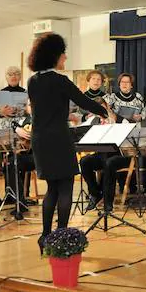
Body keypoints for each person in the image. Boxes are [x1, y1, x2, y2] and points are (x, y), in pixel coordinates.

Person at [27, 33, 108, 254]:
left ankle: (45, 236)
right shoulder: (60, 80)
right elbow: (83, 100)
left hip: (40, 139)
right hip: (59, 138)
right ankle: (61, 235)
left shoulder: (32, 81)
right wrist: (104, 111)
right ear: (55, 56)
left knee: (51, 188)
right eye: (63, 55)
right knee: (65, 189)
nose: (65, 59)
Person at [81, 73, 144, 211]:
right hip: (101, 153)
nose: (102, 112)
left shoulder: (122, 120)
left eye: (104, 108)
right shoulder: (96, 121)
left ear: (109, 107)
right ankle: (95, 194)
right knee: (85, 161)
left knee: (109, 163)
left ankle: (108, 203)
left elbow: (131, 138)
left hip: (121, 155)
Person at [0, 66, 34, 215]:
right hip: (8, 130)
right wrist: (1, 112)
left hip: (26, 130)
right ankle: (12, 196)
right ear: (6, 76)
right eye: (10, 74)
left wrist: (24, 111)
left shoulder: (25, 93)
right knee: (10, 162)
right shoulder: (0, 94)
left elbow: (29, 111)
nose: (13, 76)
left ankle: (23, 194)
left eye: (16, 74)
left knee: (19, 161)